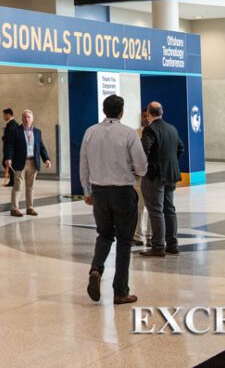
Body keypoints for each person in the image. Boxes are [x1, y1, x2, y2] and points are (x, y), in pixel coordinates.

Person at [80, 95, 147, 305]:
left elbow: (83, 163)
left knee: (104, 234)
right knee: (125, 241)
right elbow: (142, 165)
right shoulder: (128, 133)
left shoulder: (90, 132)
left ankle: (96, 268)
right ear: (121, 111)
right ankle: (120, 291)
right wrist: (135, 171)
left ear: (103, 109)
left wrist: (87, 190)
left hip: (99, 192)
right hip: (123, 192)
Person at [138, 102, 183, 258]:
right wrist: (171, 164)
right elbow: (180, 148)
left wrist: (146, 168)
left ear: (149, 113)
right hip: (171, 174)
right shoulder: (172, 128)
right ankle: (172, 244)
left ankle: (157, 246)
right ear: (162, 112)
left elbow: (143, 150)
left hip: (155, 176)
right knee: (169, 209)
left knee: (156, 210)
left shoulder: (150, 129)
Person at [4, 109, 51, 217]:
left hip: (33, 162)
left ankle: (30, 207)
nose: (26, 119)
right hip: (20, 162)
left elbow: (41, 147)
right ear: (22, 118)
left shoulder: (37, 132)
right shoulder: (16, 131)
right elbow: (9, 145)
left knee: (31, 186)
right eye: (24, 117)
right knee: (18, 186)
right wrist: (8, 157)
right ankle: (14, 208)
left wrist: (46, 159)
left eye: (28, 117)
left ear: (32, 119)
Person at [133, 109, 152, 247]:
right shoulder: (135, 133)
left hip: (153, 176)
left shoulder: (158, 131)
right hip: (138, 176)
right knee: (138, 207)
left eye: (148, 116)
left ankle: (151, 236)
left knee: (153, 208)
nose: (146, 118)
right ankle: (138, 236)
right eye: (144, 116)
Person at [0, 108, 18, 187]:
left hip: (9, 149)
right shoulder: (13, 124)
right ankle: (13, 180)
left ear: (8, 114)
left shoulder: (11, 124)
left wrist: (3, 137)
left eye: (4, 115)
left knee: (6, 164)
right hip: (11, 149)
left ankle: (14, 179)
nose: (3, 117)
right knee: (7, 164)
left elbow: (9, 138)